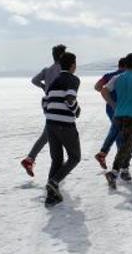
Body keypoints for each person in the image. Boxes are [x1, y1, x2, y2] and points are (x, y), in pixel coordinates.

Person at [101, 53, 132, 188]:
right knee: (127, 145)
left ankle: (120, 171)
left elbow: (104, 90)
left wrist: (112, 103)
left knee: (124, 144)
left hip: (118, 114)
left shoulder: (117, 78)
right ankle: (115, 172)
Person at [21, 44, 66, 178]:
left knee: (48, 134)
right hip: (59, 106)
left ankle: (30, 159)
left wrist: (43, 86)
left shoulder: (47, 70)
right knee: (58, 132)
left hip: (47, 104)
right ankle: (57, 167)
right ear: (62, 56)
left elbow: (34, 80)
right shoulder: (62, 70)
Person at [43, 52, 81, 207]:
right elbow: (70, 99)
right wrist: (77, 110)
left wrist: (50, 114)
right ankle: (54, 181)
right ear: (73, 65)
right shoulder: (73, 79)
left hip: (50, 124)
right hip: (65, 125)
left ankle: (51, 196)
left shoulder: (55, 80)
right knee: (75, 157)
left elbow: (45, 101)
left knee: (56, 159)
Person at [93, 57, 126, 169]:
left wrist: (109, 93)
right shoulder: (127, 76)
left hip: (110, 108)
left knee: (117, 130)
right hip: (123, 108)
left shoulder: (109, 76)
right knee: (121, 133)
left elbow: (97, 87)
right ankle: (119, 162)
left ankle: (107, 155)